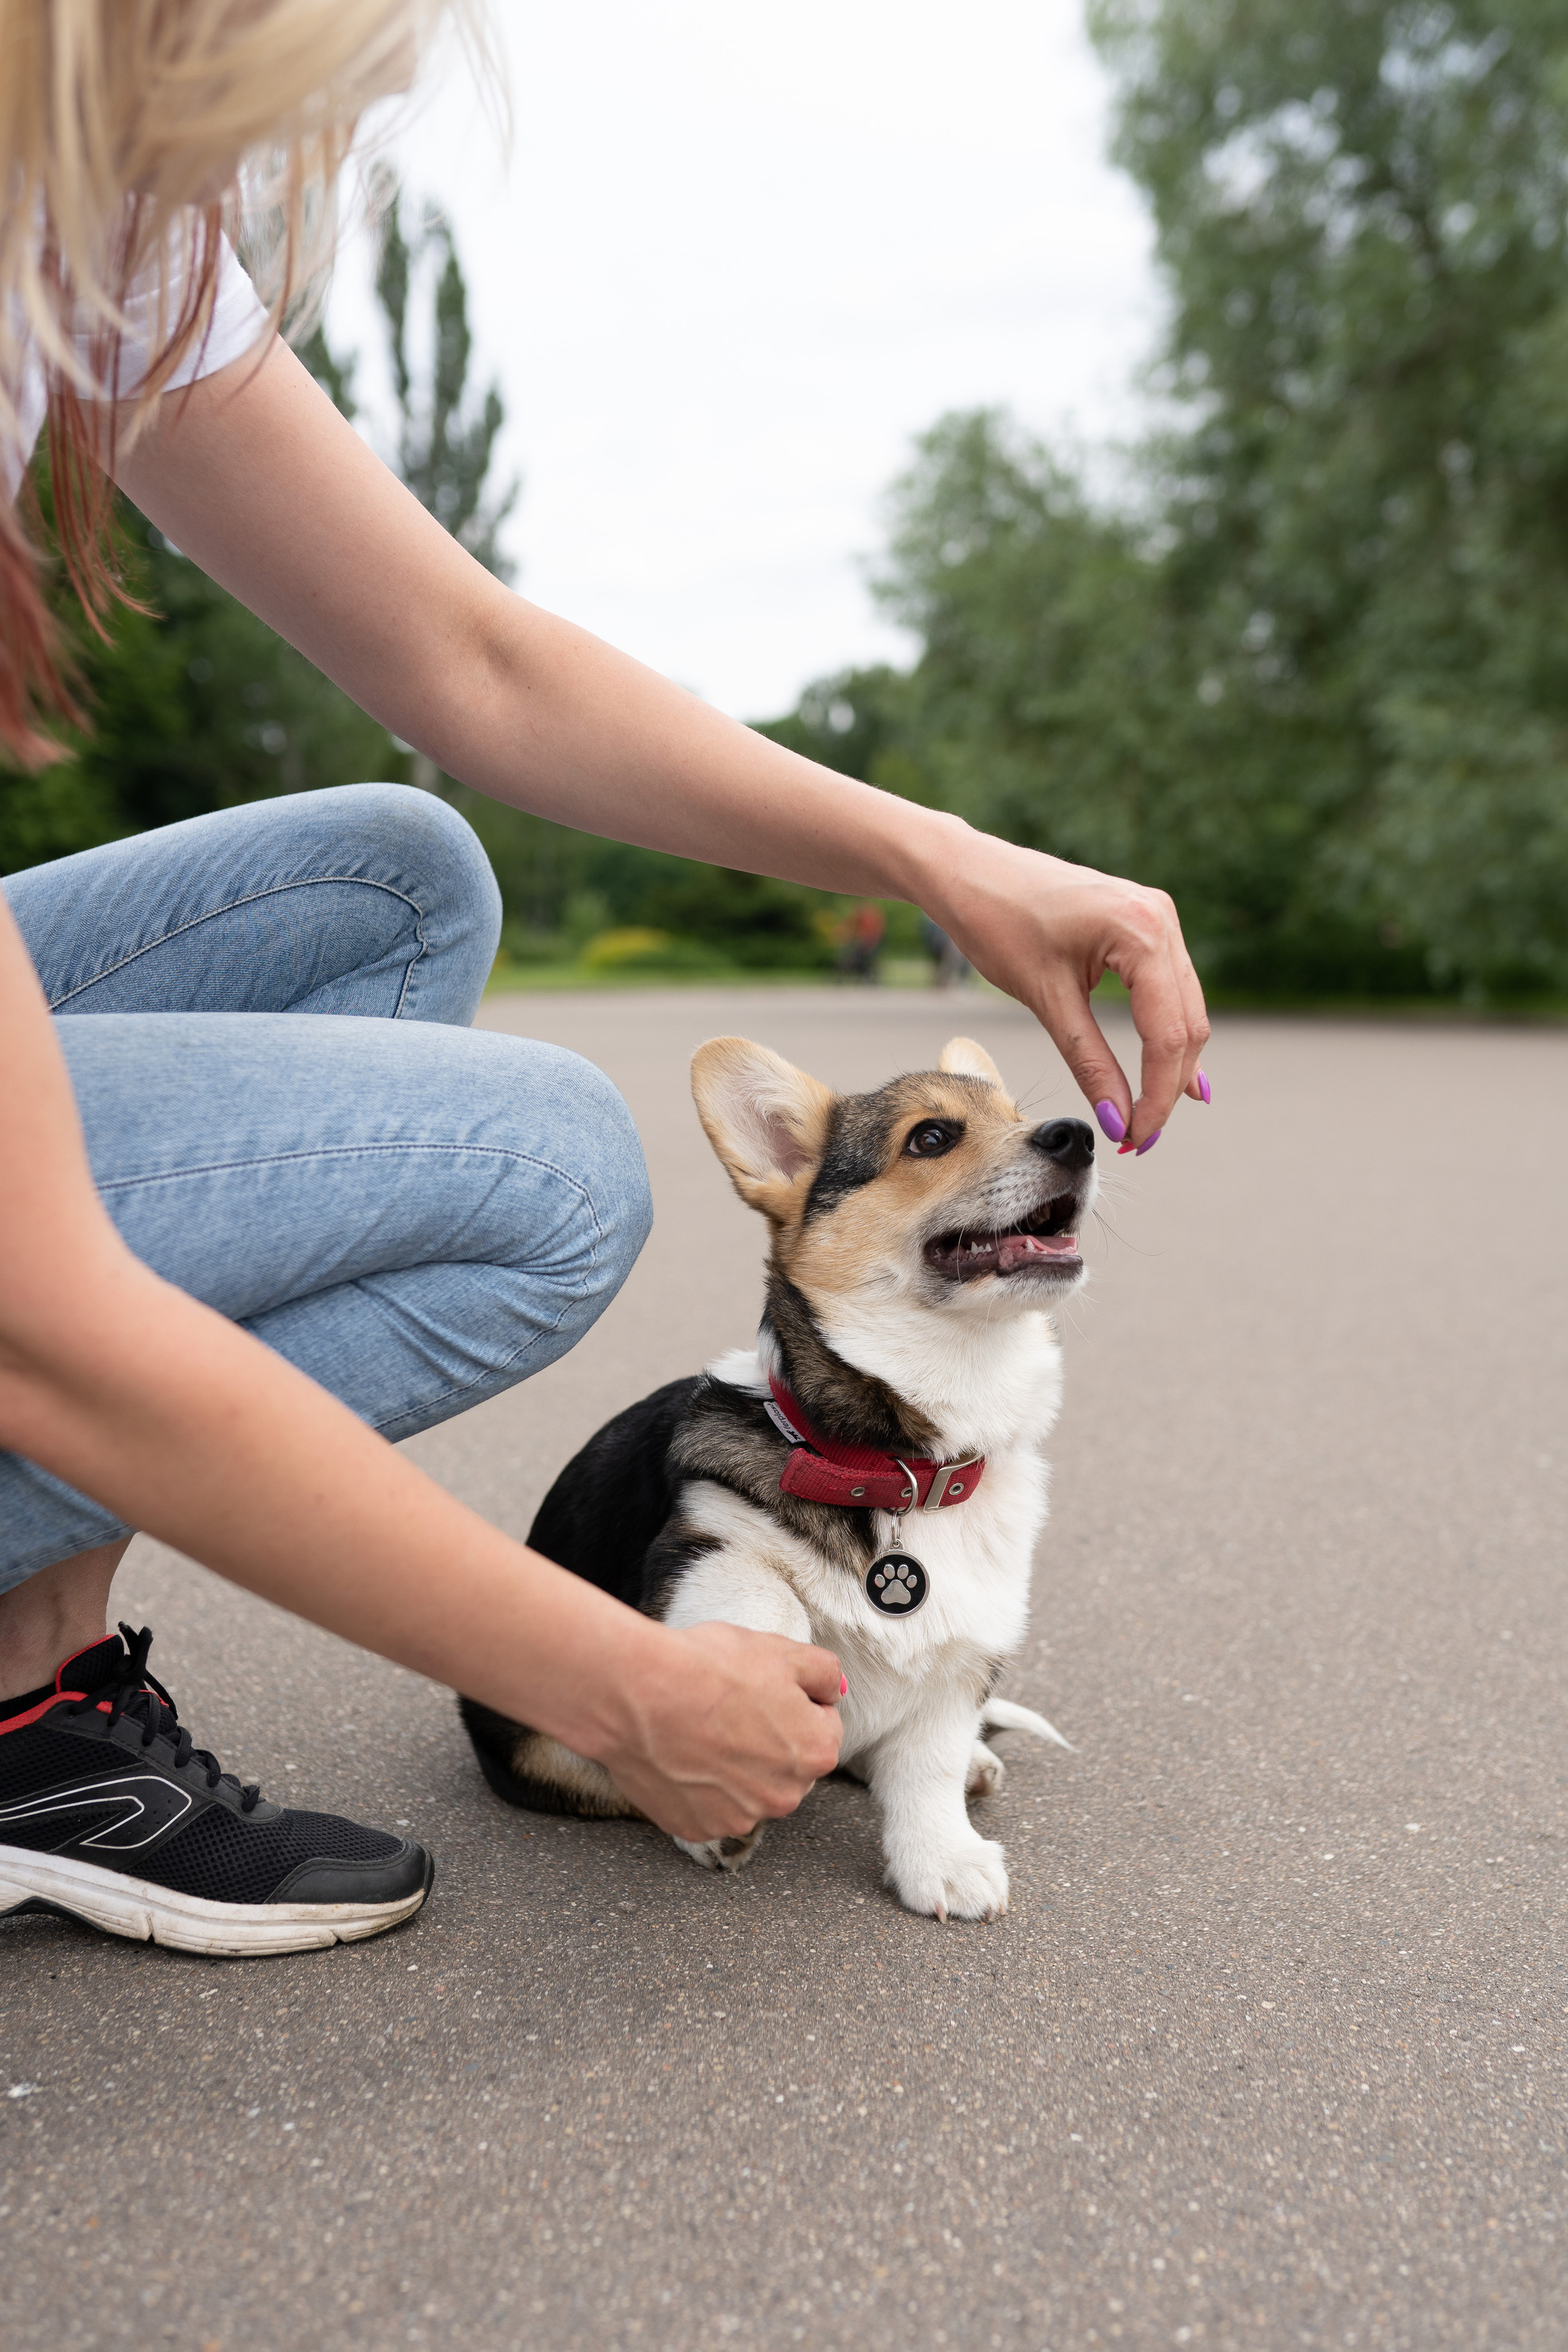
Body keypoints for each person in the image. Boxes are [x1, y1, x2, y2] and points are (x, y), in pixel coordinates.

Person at [0, 0, 1210, 1956]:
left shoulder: (93, 232)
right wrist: (617, 1679)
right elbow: (34, 1307)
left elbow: (468, 663)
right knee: (551, 1169)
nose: (332, 132)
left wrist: (947, 858)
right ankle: (27, 1723)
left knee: (391, 879)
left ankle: (23, 1694)